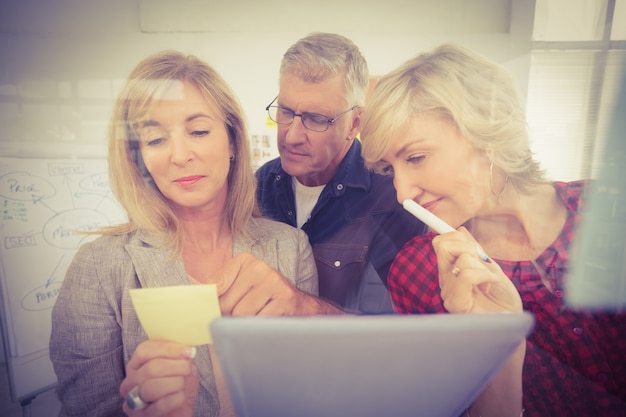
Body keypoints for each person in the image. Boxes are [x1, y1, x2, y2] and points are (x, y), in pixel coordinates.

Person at [50, 50, 341, 417]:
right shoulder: (98, 267)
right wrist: (136, 409)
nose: (180, 154)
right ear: (139, 159)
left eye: (199, 131)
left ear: (233, 141)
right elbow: (83, 408)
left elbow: (310, 384)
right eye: (155, 139)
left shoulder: (288, 246)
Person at [360, 43, 626, 416]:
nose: (403, 194)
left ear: (486, 131)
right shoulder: (420, 272)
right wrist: (496, 344)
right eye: (390, 171)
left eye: (416, 158)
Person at [255, 32, 425, 314]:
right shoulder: (259, 187)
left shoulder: (390, 199)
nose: (292, 136)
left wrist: (303, 307)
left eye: (316, 119)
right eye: (285, 112)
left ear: (354, 123)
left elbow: (398, 333)